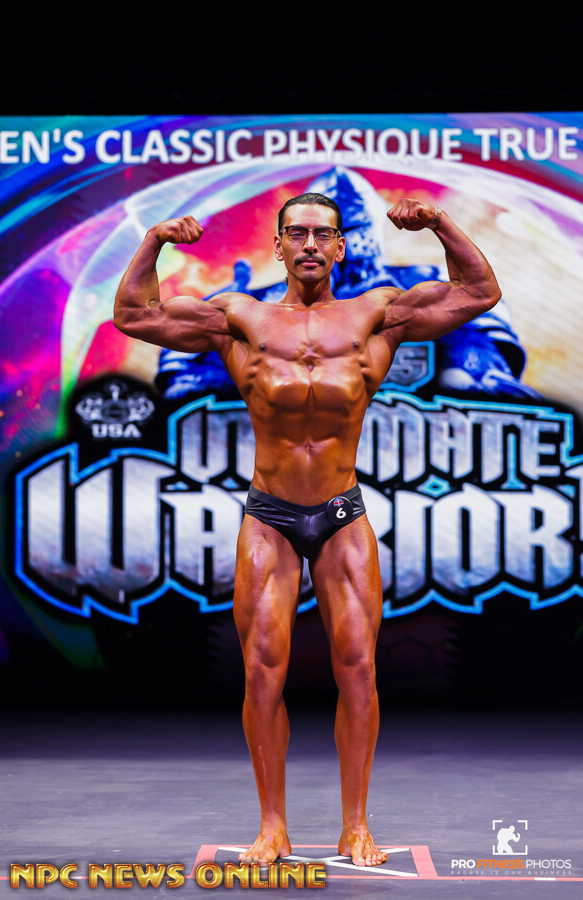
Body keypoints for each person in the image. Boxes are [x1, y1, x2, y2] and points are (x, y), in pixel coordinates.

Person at [113, 193, 501, 866]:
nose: (311, 244)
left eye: (324, 234)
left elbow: (479, 292)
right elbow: (134, 315)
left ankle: (356, 824)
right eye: (297, 234)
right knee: (263, 673)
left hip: (341, 515)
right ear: (279, 245)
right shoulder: (240, 318)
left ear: (341, 245)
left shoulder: (377, 314)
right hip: (270, 518)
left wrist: (439, 222)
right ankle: (272, 825)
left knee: (359, 670)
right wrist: (153, 240)